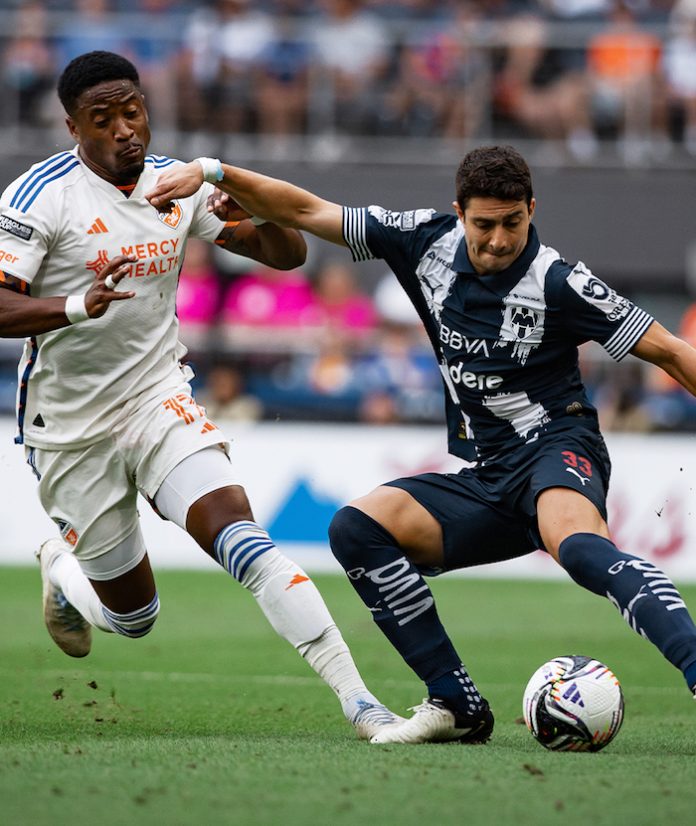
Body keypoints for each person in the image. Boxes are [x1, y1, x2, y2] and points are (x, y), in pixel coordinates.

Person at [146, 143, 696, 746]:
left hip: (556, 448)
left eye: (513, 223)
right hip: (486, 474)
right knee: (355, 529)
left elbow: (669, 350)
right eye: (484, 224)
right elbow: (306, 211)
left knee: (579, 547)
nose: (497, 240)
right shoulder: (422, 239)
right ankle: (456, 703)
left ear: (531, 211)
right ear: (457, 212)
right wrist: (217, 173)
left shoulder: (560, 282)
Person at [0, 50, 403, 741]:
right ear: (73, 127)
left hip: (158, 397)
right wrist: (74, 306)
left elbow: (287, 256)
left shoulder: (175, 184)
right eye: (104, 119)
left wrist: (250, 208)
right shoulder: (37, 198)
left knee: (242, 535)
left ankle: (362, 704)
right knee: (134, 619)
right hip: (69, 427)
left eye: (134, 111)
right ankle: (64, 570)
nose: (126, 129)